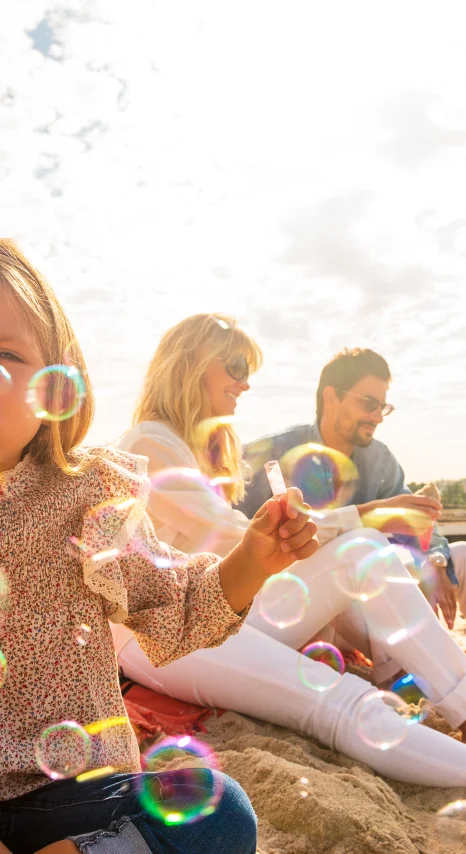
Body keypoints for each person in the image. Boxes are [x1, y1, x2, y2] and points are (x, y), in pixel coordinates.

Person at [113, 313, 466, 832]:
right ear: (188, 364)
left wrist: (376, 541)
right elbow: (234, 538)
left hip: (219, 610)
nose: (244, 383)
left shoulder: (201, 449)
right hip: (165, 633)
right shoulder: (149, 444)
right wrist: (366, 513)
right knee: (340, 702)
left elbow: (245, 563)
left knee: (365, 551)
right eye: (233, 366)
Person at [0, 241, 317, 854]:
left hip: (65, 794)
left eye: (5, 353)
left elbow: (175, 601)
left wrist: (252, 559)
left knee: (217, 812)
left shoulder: (84, 497)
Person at [239, 347, 466, 698]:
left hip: (366, 605)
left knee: (462, 555)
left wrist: (436, 558)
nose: (377, 416)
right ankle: (400, 681)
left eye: (383, 407)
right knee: (359, 557)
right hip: (304, 605)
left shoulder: (378, 458)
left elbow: (416, 521)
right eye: (368, 403)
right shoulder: (271, 455)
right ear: (331, 397)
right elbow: (242, 539)